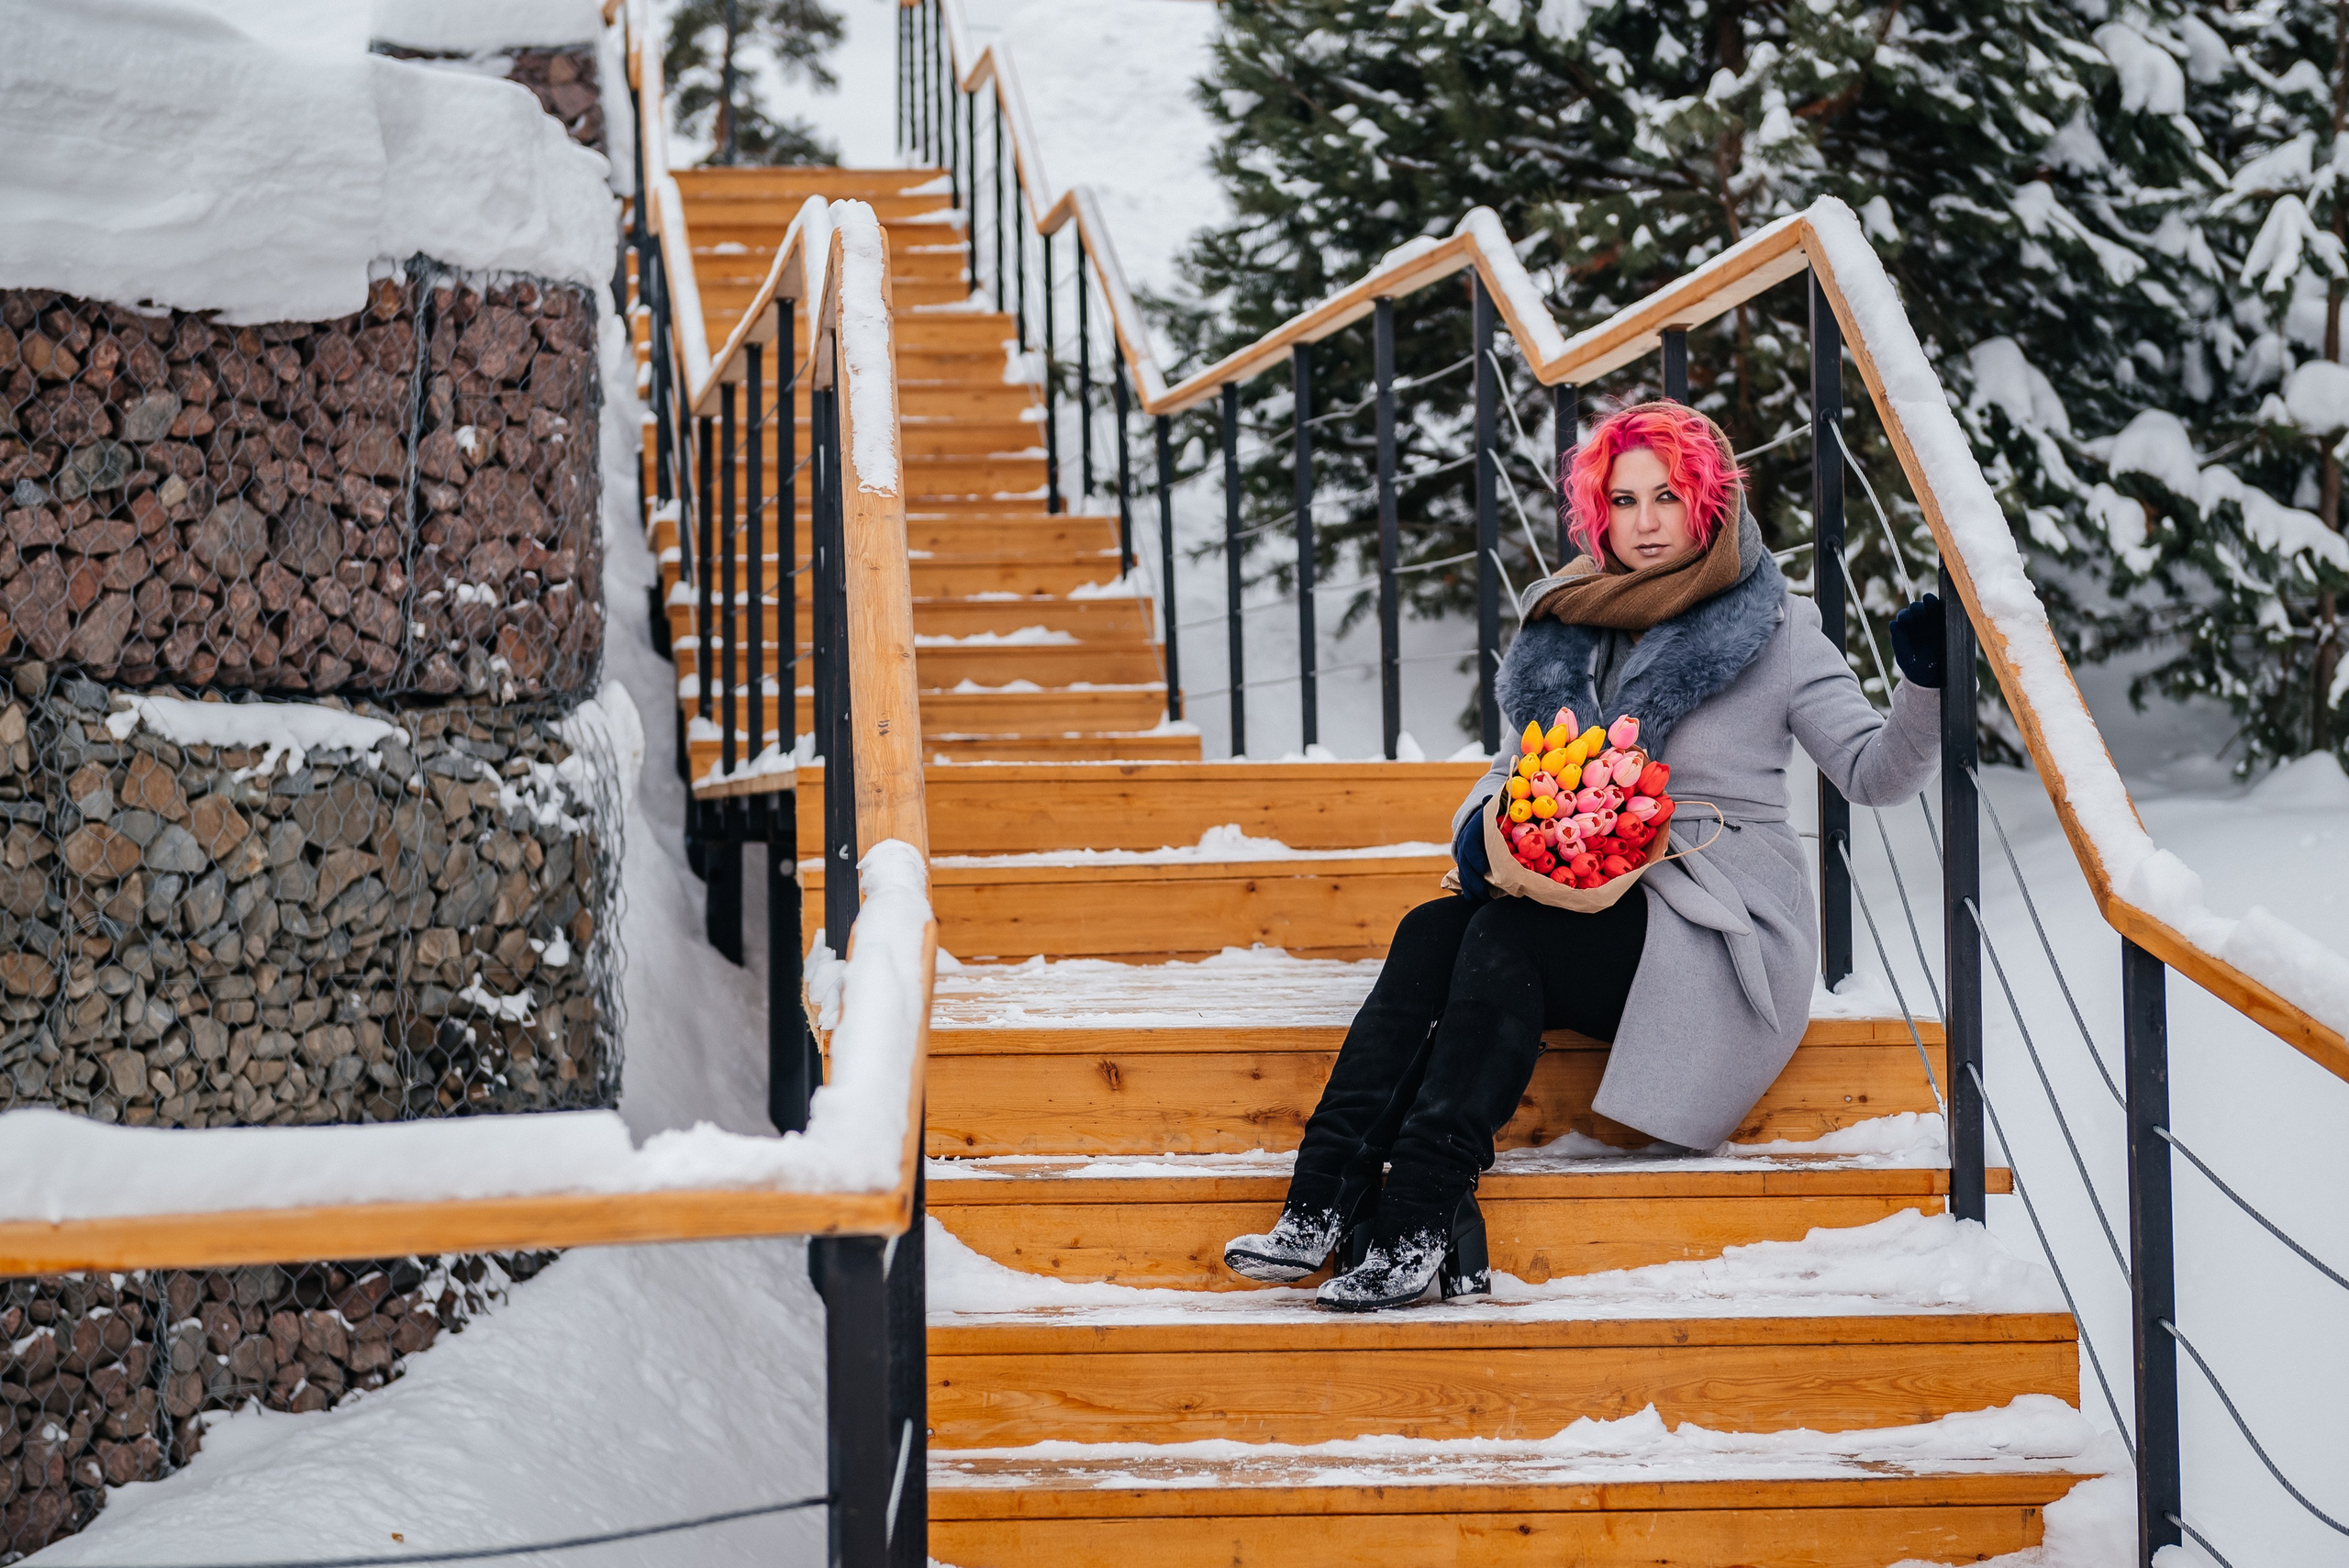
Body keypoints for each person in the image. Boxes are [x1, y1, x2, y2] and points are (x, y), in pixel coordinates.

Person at [1224, 401, 1952, 1312]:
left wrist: (1925, 684)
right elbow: (1507, 772)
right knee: (1432, 927)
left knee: (1505, 939)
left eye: (1667, 496)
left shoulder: (1778, 624)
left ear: (1711, 501)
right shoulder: (1570, 619)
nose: (1645, 522)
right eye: (1624, 500)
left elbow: (1873, 773)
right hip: (1580, 886)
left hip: (1714, 917)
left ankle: (1414, 1222)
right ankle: (1319, 1200)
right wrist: (1490, 829)